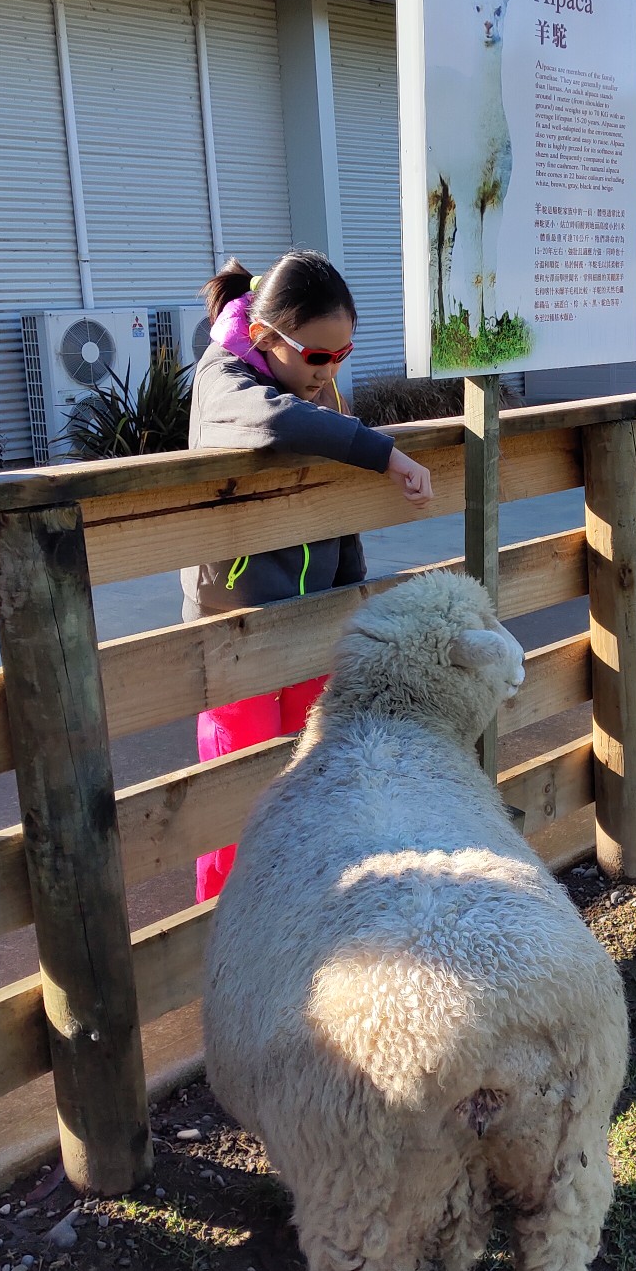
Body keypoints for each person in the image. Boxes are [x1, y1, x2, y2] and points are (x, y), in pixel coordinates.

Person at [186, 250, 434, 900]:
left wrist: (349, 595)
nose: (329, 372)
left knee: (316, 776)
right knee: (238, 795)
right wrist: (382, 452)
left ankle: (304, 912)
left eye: (343, 355)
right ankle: (220, 926)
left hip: (312, 617)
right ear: (266, 338)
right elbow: (270, 422)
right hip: (237, 627)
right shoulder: (222, 377)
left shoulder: (315, 387)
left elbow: (339, 508)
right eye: (318, 357)